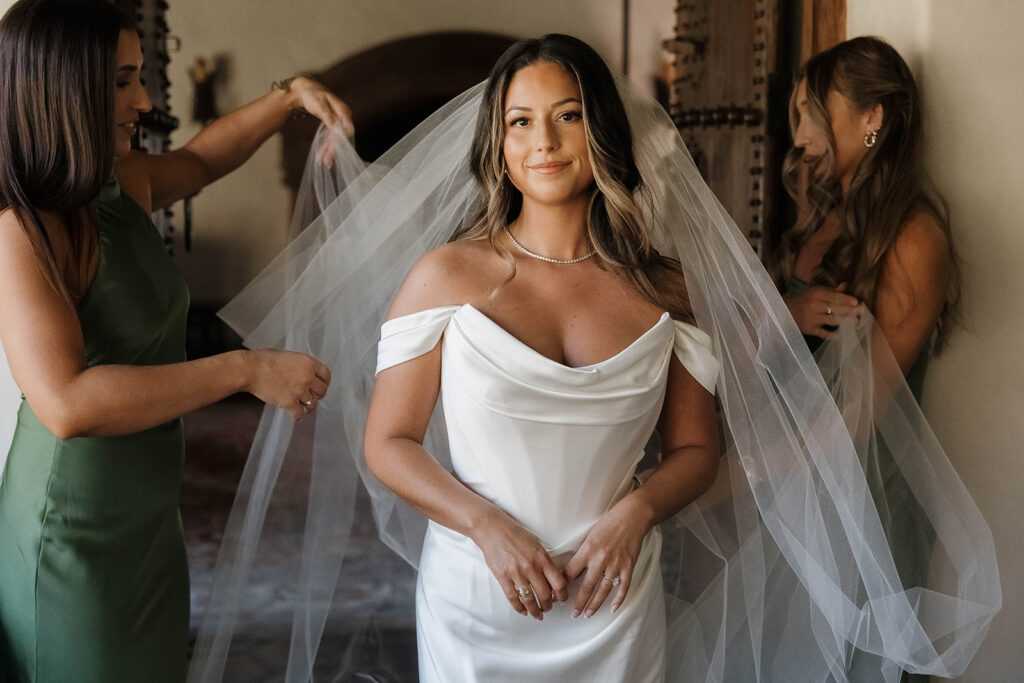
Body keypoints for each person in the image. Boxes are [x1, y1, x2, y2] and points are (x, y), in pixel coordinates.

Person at [190, 34, 999, 683]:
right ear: (497, 141)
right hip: (479, 594)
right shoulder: (445, 276)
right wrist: (486, 527)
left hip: (615, 598)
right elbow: (387, 442)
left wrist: (638, 512)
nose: (543, 140)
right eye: (519, 120)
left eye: (567, 115)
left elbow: (693, 450)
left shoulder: (668, 288)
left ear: (600, 130)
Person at [0, 1, 350, 681]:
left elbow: (202, 157)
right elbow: (67, 402)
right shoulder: (23, 229)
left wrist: (288, 97)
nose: (146, 99)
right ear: (64, 89)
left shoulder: (117, 185)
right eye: (123, 81)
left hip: (148, 521)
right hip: (72, 536)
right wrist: (243, 368)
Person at [767, 36, 961, 682]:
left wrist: (744, 475)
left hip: (865, 506)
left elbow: (859, 413)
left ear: (872, 116)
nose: (797, 138)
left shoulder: (913, 236)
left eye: (811, 114)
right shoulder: (816, 219)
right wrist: (786, 314)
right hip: (794, 496)